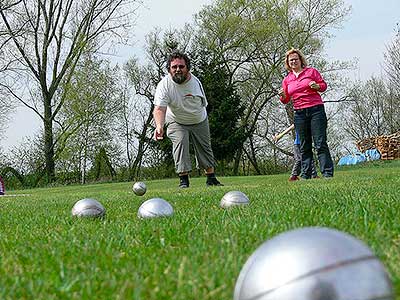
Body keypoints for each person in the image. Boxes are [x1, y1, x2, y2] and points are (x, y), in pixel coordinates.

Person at [153, 50, 223, 188]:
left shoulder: (195, 83)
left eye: (181, 66)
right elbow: (159, 108)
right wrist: (159, 126)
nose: (178, 70)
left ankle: (211, 178)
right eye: (174, 67)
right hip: (176, 120)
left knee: (205, 148)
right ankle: (183, 181)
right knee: (180, 144)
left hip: (199, 119)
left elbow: (205, 106)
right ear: (169, 69)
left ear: (187, 68)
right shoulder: (164, 85)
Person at [279, 48, 334, 179]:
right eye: (291, 60)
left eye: (295, 59)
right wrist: (282, 96)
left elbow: (323, 85)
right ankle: (307, 175)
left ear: (300, 60)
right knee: (304, 145)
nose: (293, 62)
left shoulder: (311, 72)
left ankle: (327, 173)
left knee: (320, 143)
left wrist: (317, 86)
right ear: (288, 63)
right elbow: (286, 100)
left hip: (316, 110)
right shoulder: (287, 79)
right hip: (299, 113)